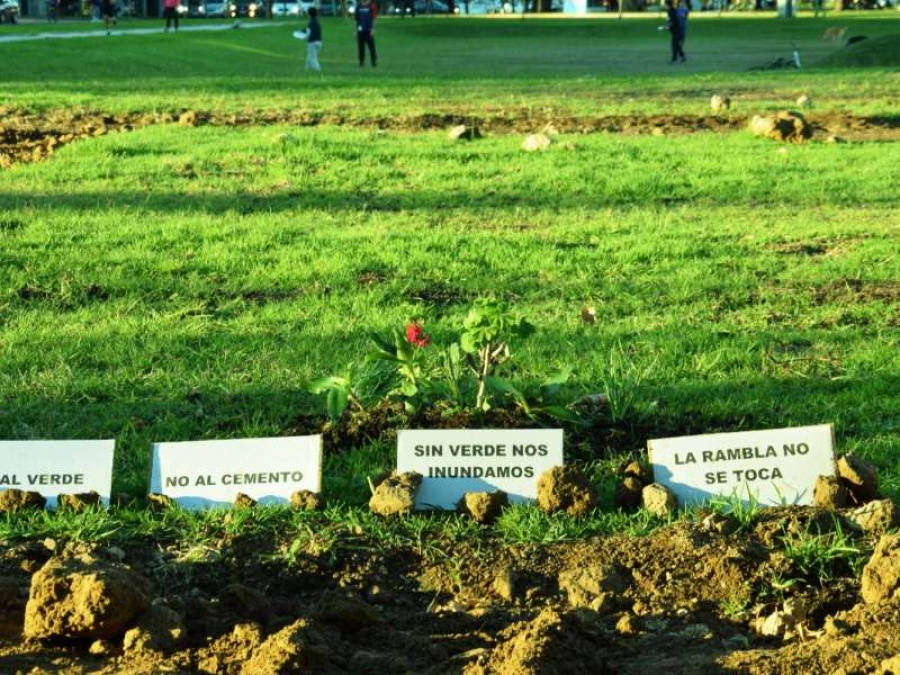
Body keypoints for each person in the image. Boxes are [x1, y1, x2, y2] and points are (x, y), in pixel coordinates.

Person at [355, 0, 377, 68]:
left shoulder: (371, 6)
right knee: (361, 47)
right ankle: (361, 62)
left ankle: (373, 62)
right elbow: (356, 19)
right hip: (360, 30)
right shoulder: (358, 6)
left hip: (368, 30)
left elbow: (374, 19)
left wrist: (373, 29)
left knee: (371, 47)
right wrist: (355, 30)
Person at [305, 6, 322, 72]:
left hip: (312, 42)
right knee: (309, 56)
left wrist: (305, 38)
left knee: (312, 58)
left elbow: (308, 33)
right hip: (319, 42)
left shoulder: (310, 23)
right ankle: (306, 68)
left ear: (309, 14)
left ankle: (318, 70)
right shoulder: (317, 22)